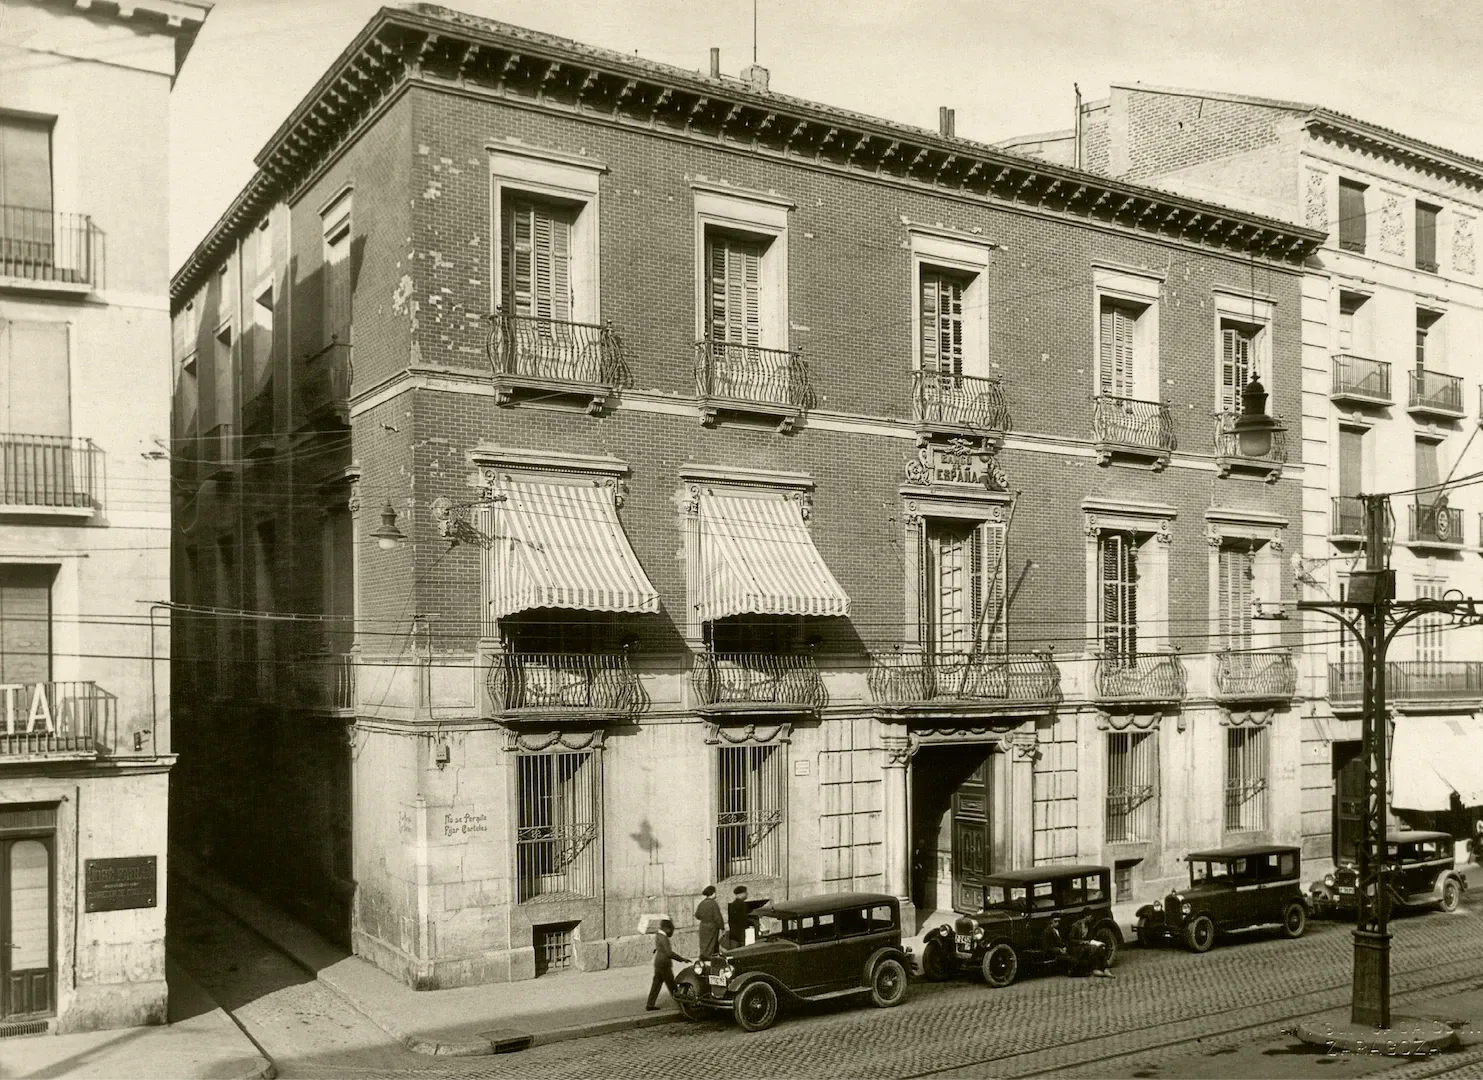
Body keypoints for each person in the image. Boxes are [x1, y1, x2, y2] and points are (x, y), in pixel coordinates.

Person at [645, 919, 689, 1011]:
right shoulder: (664, 938)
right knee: (671, 985)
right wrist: (682, 959)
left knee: (656, 984)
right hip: (664, 964)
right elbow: (669, 953)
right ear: (666, 928)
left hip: (658, 962)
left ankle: (650, 1004)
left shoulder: (658, 935)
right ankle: (681, 1004)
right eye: (671, 930)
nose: (671, 932)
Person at [695, 885, 724, 959]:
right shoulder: (713, 904)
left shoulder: (702, 903)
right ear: (713, 893)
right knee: (711, 944)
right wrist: (722, 927)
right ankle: (709, 958)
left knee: (704, 945)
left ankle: (703, 956)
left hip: (703, 926)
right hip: (711, 927)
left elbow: (697, 915)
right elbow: (717, 917)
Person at [727, 885, 754, 949]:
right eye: (745, 893)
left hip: (733, 931)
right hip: (740, 931)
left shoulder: (732, 904)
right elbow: (743, 918)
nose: (747, 894)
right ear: (741, 894)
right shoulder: (742, 904)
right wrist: (750, 923)